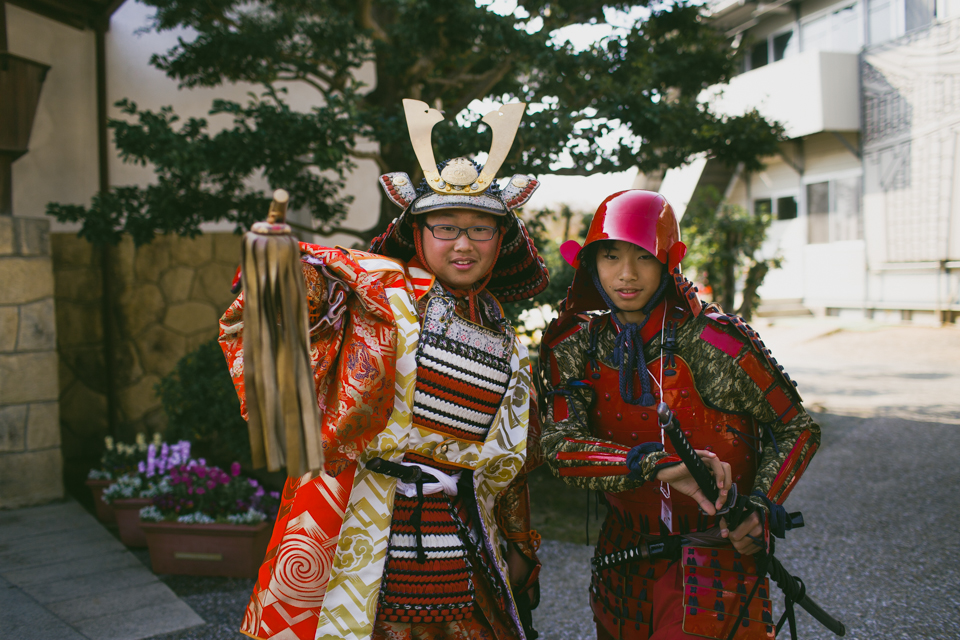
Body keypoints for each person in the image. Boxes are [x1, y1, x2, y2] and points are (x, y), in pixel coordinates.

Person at [219, 100, 547, 640]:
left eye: (481, 229)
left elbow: (511, 464)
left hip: (465, 534)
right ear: (416, 233)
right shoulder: (378, 291)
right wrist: (278, 263)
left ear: (501, 239)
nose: (463, 243)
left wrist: (519, 544)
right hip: (361, 519)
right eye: (445, 227)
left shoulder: (503, 335)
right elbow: (316, 288)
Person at [539, 190, 821, 640]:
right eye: (610, 256)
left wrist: (760, 508)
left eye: (643, 258)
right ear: (591, 263)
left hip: (718, 546)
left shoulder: (717, 342)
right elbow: (558, 446)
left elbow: (796, 428)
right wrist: (657, 466)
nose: (626, 275)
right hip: (623, 547)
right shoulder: (573, 344)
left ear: (670, 261)